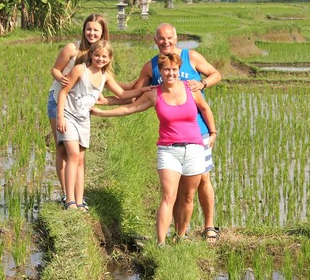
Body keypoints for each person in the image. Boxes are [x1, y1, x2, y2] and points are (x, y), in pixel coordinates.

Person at [92, 52, 217, 245]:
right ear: (160, 71)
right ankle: (160, 244)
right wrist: (101, 112)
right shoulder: (154, 94)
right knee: (168, 196)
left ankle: (180, 237)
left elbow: (205, 108)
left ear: (179, 70)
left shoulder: (191, 89)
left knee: (188, 196)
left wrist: (213, 132)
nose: (170, 73)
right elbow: (129, 108)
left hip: (195, 148)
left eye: (174, 69)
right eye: (166, 69)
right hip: (169, 150)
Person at [131, 23, 222, 242]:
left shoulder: (191, 56)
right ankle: (179, 232)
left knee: (203, 180)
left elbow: (216, 74)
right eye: (161, 39)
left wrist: (202, 84)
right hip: (173, 133)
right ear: (155, 41)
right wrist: (104, 90)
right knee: (178, 189)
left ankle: (209, 225)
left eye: (169, 37)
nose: (166, 42)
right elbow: (135, 92)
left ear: (176, 37)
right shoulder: (152, 66)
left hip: (198, 130)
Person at [57, 40, 149, 212]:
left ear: (109, 59)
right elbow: (63, 92)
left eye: (104, 56)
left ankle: (79, 200)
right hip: (68, 116)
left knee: (81, 160)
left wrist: (144, 90)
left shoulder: (105, 76)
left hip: (84, 120)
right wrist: (60, 117)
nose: (100, 59)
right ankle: (69, 200)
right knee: (73, 155)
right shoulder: (80, 69)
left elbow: (122, 93)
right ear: (91, 54)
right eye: (97, 55)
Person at [48, 14, 108, 204]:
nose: (91, 33)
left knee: (76, 154)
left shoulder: (101, 53)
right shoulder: (72, 49)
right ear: (84, 30)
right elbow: (55, 69)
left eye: (95, 30)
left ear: (102, 33)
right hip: (59, 101)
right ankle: (68, 195)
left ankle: (75, 196)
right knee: (62, 150)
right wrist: (61, 79)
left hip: (78, 106)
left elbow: (105, 81)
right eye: (88, 29)